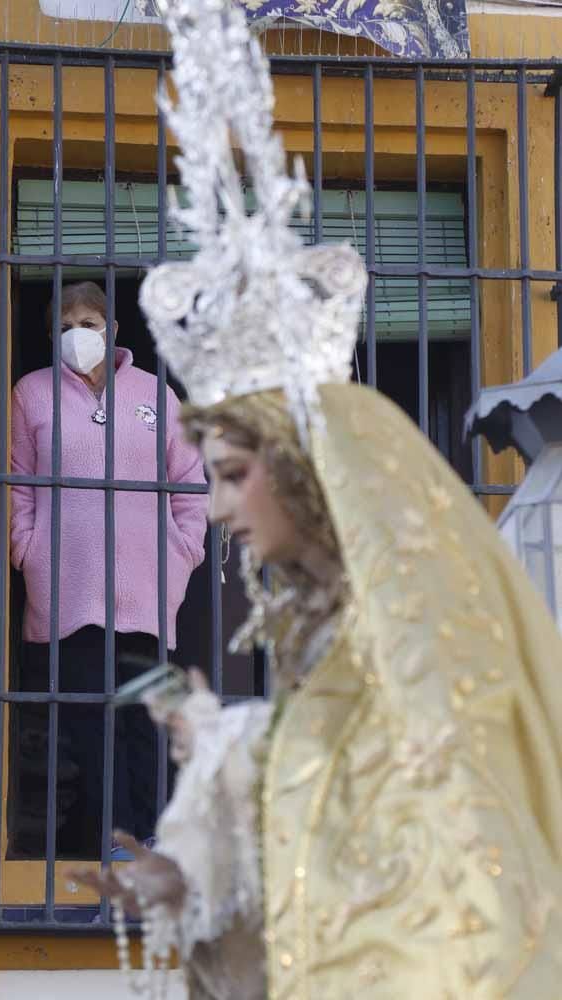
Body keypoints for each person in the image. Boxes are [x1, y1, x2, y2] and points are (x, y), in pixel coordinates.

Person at [70, 0, 562, 993]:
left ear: (303, 466)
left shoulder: (413, 629)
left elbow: (428, 882)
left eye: (229, 475)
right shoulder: (318, 623)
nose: (212, 510)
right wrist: (197, 858)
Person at [10, 280, 207, 858]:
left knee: (145, 723)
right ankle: (116, 842)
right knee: (89, 725)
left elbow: (190, 486)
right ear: (51, 334)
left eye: (89, 323)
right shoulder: (32, 394)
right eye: (66, 324)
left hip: (147, 587)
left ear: (113, 330)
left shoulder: (158, 396)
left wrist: (183, 551)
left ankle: (154, 840)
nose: (79, 334)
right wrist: (29, 550)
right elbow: (18, 486)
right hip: (65, 587)